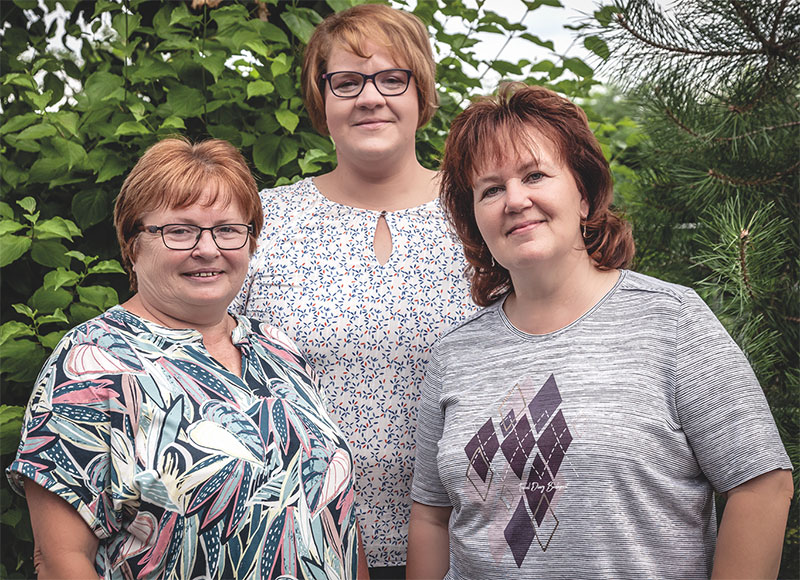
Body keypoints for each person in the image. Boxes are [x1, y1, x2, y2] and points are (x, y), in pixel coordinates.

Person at [406, 83, 793, 580]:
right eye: (491, 189)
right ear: (475, 219)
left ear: (583, 195)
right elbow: (431, 517)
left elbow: (762, 485)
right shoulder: (453, 355)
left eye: (535, 175)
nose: (516, 200)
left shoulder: (673, 321)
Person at [7, 138, 366, 580]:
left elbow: (335, 520)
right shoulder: (91, 363)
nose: (208, 249)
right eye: (180, 231)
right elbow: (61, 560)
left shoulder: (279, 349)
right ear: (132, 243)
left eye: (228, 229)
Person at [231, 5, 477, 578]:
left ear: (423, 93)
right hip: (297, 546)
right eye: (346, 82)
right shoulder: (263, 220)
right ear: (322, 102)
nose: (371, 98)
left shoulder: (484, 212)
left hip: (472, 540)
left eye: (393, 79)